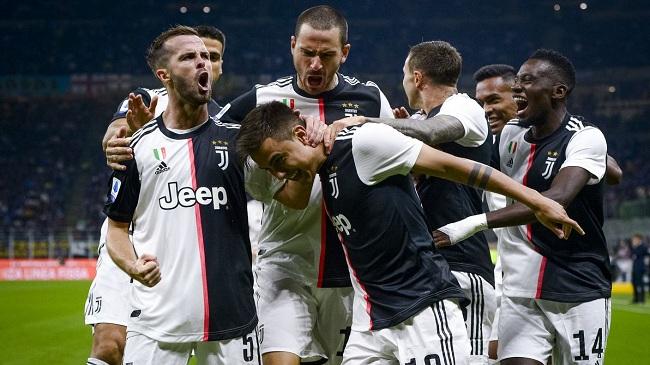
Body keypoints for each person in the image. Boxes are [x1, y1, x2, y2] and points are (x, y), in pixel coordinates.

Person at [235, 101, 583, 364]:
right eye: (272, 170)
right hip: (370, 320)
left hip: (423, 309)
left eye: (279, 162)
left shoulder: (365, 144)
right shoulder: (324, 167)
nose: (280, 174)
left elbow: (460, 168)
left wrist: (538, 202)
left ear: (299, 136)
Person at [218, 6, 393, 365]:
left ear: (344, 53)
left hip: (350, 270)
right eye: (307, 53)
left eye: (326, 55)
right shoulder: (261, 101)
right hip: (285, 264)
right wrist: (122, 122)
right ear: (292, 46)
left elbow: (398, 159)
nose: (315, 64)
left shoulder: (370, 99)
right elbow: (206, 134)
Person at [321, 40, 496, 365]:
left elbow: (431, 132)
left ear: (416, 77)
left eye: (404, 75)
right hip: (423, 272)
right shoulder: (417, 118)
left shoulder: (464, 107)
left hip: (461, 266)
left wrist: (372, 124)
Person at [435, 49, 613, 365]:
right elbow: (461, 165)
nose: (518, 88)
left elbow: (555, 201)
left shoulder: (583, 138)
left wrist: (471, 223)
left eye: (526, 81)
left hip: (577, 287)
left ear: (559, 91)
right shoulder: (508, 136)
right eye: (516, 81)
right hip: (519, 291)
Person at [104, 25, 258, 364]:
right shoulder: (137, 147)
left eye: (206, 56)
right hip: (155, 322)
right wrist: (132, 265)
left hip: (232, 320)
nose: (202, 63)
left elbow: (284, 195)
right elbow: (116, 228)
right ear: (164, 75)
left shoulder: (237, 141)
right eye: (189, 57)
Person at [631, 233, 648, 304]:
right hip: (635, 267)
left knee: (640, 283)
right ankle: (636, 298)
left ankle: (642, 299)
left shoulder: (643, 247)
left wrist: (635, 247)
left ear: (638, 239)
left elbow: (639, 254)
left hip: (640, 267)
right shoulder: (635, 247)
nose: (633, 241)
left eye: (635, 239)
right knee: (634, 282)